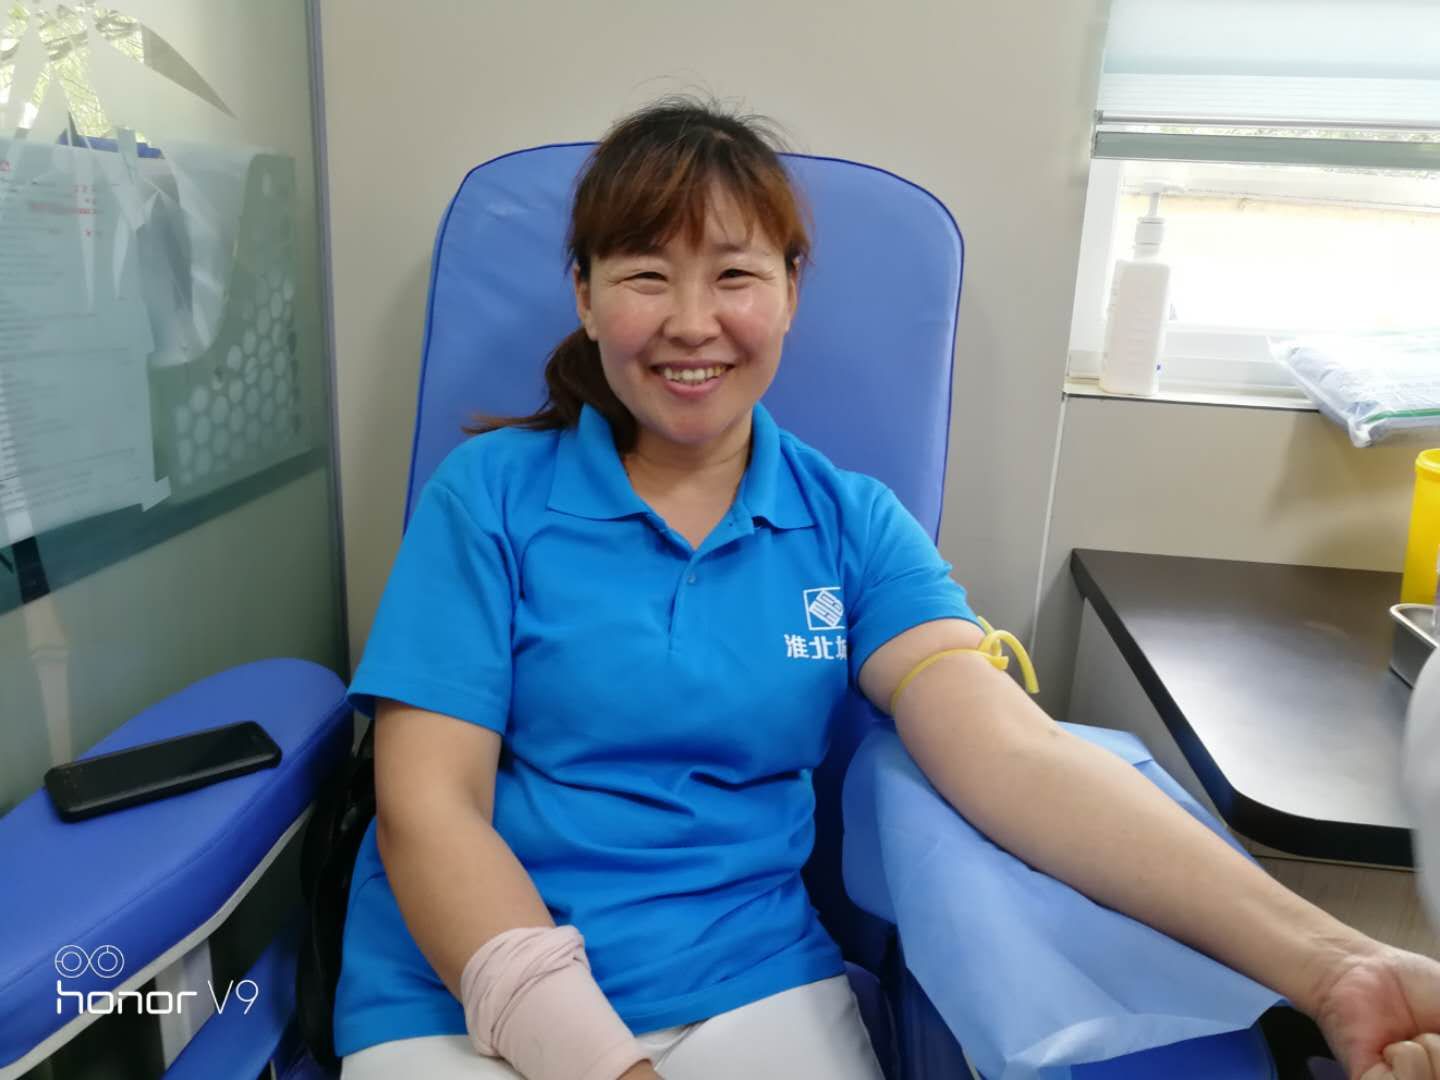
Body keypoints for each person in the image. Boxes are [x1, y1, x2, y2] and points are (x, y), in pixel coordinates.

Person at [333, 99, 1440, 1080]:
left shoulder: (852, 525)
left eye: (734, 274)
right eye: (645, 275)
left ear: (791, 292)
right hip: (467, 992)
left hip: (745, 985)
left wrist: (1336, 963)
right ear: (584, 296)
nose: (691, 321)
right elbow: (429, 810)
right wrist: (597, 1062)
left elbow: (1013, 756)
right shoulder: (490, 497)